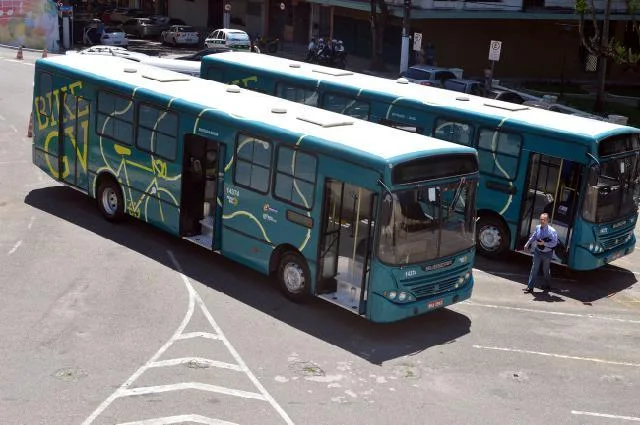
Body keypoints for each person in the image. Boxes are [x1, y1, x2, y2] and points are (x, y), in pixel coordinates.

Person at [523, 213, 558, 293]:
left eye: (543, 220)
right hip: (538, 252)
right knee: (534, 268)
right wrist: (527, 244)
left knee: (545, 270)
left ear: (547, 221)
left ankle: (548, 284)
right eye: (541, 219)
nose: (541, 221)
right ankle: (530, 287)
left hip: (547, 253)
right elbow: (534, 236)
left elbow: (554, 243)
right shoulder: (538, 227)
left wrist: (544, 244)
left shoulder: (552, 231)